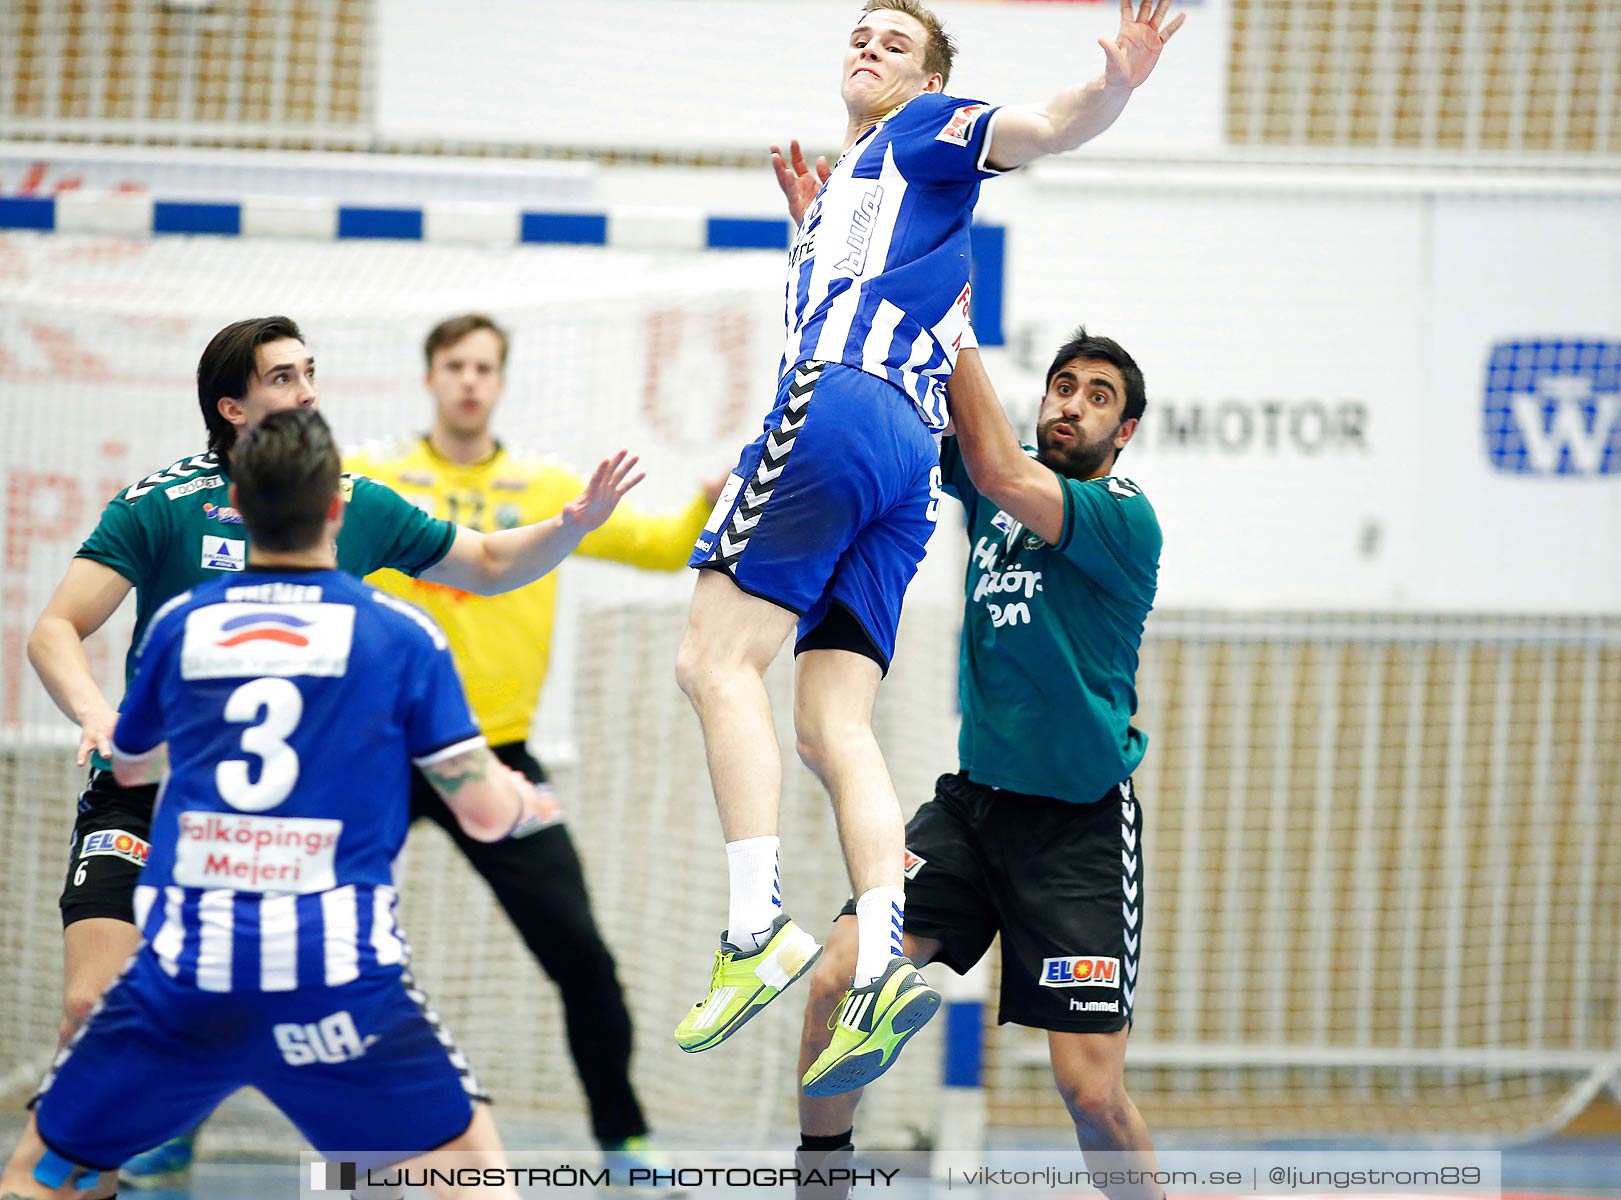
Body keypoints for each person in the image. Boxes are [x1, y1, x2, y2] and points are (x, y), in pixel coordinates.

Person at [672, 0, 1186, 1101]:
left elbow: (1045, 126)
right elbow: (874, 288)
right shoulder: (872, 188)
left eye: (895, 42)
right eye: (859, 36)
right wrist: (813, 231)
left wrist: (1116, 88)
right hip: (908, 456)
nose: (869, 49)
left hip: (844, 408)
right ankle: (880, 973)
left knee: (713, 665)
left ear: (931, 76)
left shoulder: (928, 128)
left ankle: (756, 925)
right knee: (832, 723)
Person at [25, 315, 641, 1193]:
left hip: (277, 823)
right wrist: (94, 714)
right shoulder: (162, 507)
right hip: (150, 797)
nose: (308, 393)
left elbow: (493, 562)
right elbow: (57, 627)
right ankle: (142, 1132)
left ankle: (210, 1115)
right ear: (231, 407)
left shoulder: (352, 507)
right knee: (91, 1007)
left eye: (311, 374)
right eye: (284, 378)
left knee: (273, 998)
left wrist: (573, 524)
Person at [792, 335, 1165, 1198]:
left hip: (1077, 834)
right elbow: (912, 428)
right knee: (835, 979)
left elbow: (994, 466)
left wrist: (948, 318)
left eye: (1098, 396)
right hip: (970, 812)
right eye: (1061, 387)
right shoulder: (997, 476)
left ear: (1127, 429)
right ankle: (821, 1185)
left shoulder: (1120, 512)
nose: (1070, 405)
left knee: (1092, 1093)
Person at [342, 312, 715, 1171]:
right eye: (454, 365)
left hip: (494, 762)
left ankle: (623, 1140)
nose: (469, 380)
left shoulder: (547, 487)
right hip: (373, 759)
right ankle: (176, 1131)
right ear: (430, 376)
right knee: (283, 935)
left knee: (581, 954)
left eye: (484, 366)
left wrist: (708, 499)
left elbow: (666, 549)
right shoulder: (370, 478)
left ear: (500, 382)